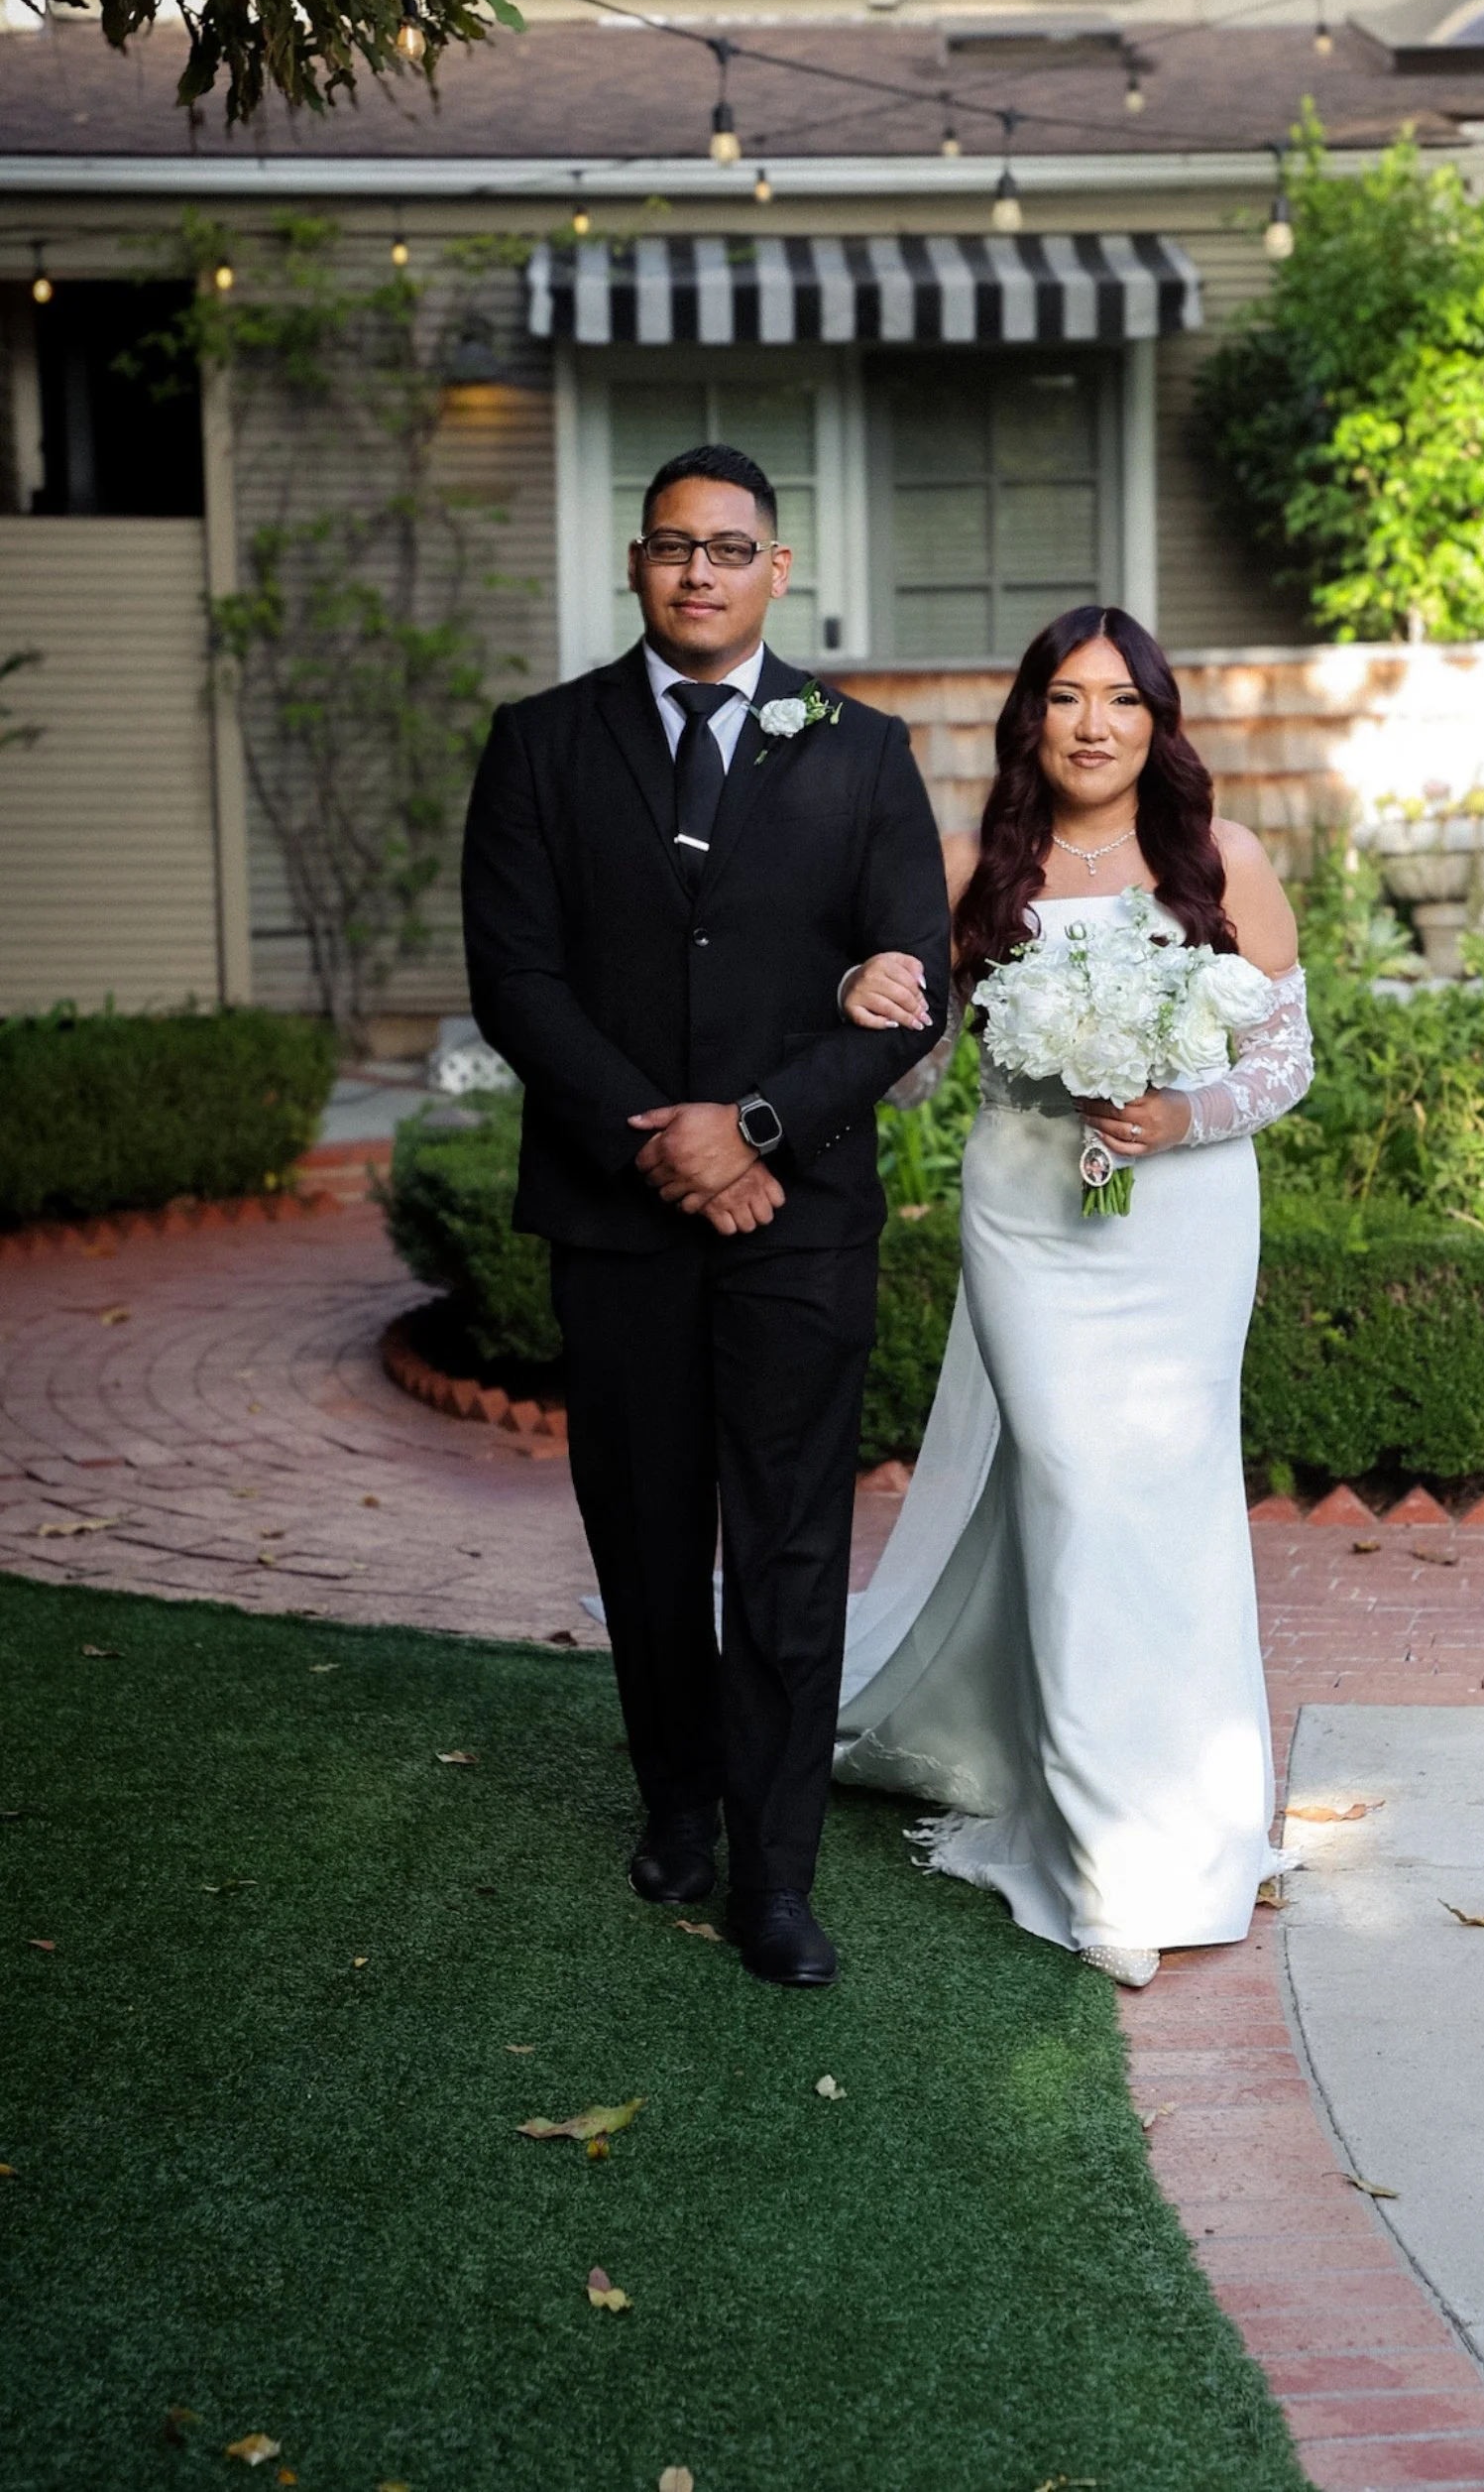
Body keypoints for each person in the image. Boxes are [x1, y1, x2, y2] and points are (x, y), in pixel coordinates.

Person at [461, 443, 951, 1988]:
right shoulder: (540, 744)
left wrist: (749, 1129)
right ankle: (676, 1799)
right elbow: (516, 981)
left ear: (775, 570)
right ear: (636, 562)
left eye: (728, 548)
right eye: (674, 545)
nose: (699, 572)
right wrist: (660, 1144)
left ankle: (777, 1871)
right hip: (617, 1222)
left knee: (792, 1544)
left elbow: (913, 988)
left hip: (799, 1221)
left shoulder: (862, 754)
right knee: (647, 1529)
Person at [831, 607, 1313, 1990]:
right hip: (1029, 1218)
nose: (1092, 724)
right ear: (1029, 717)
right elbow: (915, 1078)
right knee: (1078, 1493)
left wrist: (1181, 1113)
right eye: (1065, 697)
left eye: (1121, 700)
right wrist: (864, 994)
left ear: (1157, 724)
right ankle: (1107, 1860)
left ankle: (1196, 1819)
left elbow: (1286, 1062)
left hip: (1185, 1220)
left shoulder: (1222, 859)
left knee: (1172, 1499)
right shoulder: (973, 867)